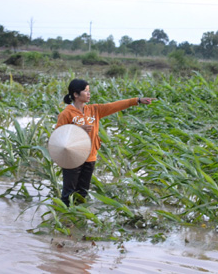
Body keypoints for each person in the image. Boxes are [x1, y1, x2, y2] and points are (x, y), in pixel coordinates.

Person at [55, 78, 155, 206]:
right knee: (68, 194)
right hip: (72, 158)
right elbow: (58, 135)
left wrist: (137, 100)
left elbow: (113, 106)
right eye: (85, 91)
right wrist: (77, 129)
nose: (89, 93)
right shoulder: (66, 114)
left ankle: (77, 219)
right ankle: (64, 219)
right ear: (75, 94)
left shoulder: (94, 110)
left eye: (89, 91)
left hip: (90, 157)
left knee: (82, 193)